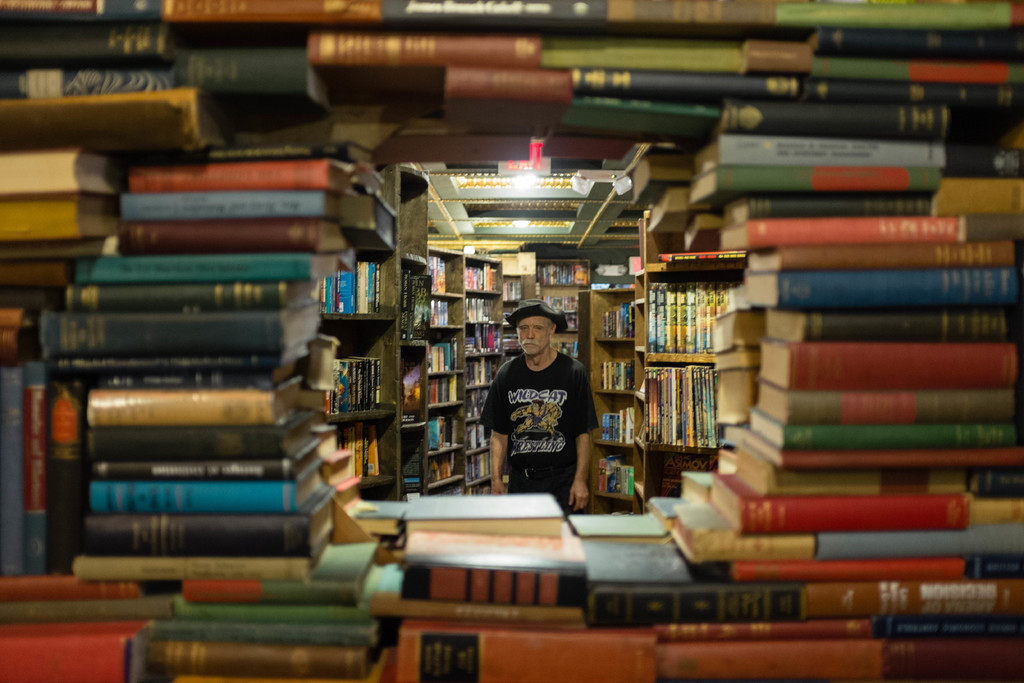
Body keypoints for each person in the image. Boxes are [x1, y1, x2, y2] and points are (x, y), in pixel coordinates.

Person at [481, 298, 598, 515]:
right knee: (524, 537)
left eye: (538, 328)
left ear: (551, 330)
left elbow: (583, 434)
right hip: (521, 483)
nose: (530, 335)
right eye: (523, 328)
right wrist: (495, 480)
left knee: (566, 536)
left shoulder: (574, 372)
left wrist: (581, 480)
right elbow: (499, 435)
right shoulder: (506, 375)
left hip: (563, 483)